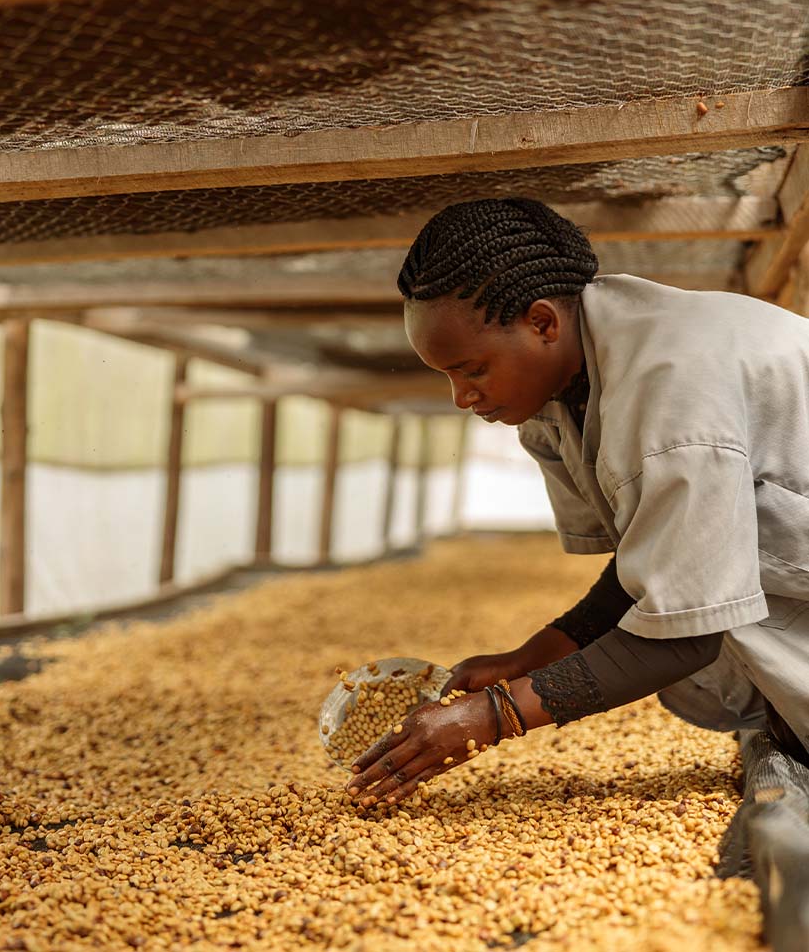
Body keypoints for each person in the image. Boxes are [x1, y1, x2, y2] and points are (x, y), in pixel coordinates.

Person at [346, 197, 809, 808]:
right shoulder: (566, 389)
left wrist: (494, 716)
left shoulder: (671, 391)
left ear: (542, 323)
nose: (461, 397)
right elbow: (661, 557)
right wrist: (531, 657)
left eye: (472, 369)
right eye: (447, 377)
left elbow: (683, 632)